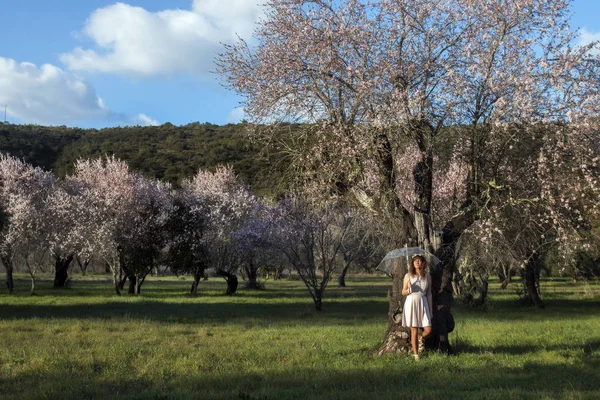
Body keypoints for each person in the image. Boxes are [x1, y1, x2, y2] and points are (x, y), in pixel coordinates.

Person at [401, 255, 433, 360]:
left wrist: (430, 309)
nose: (417, 262)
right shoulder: (408, 276)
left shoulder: (427, 276)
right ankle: (416, 355)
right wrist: (409, 289)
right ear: (412, 263)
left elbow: (429, 294)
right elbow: (403, 292)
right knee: (413, 329)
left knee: (428, 330)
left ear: (423, 263)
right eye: (415, 261)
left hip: (423, 303)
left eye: (419, 260)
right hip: (412, 302)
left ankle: (421, 338)